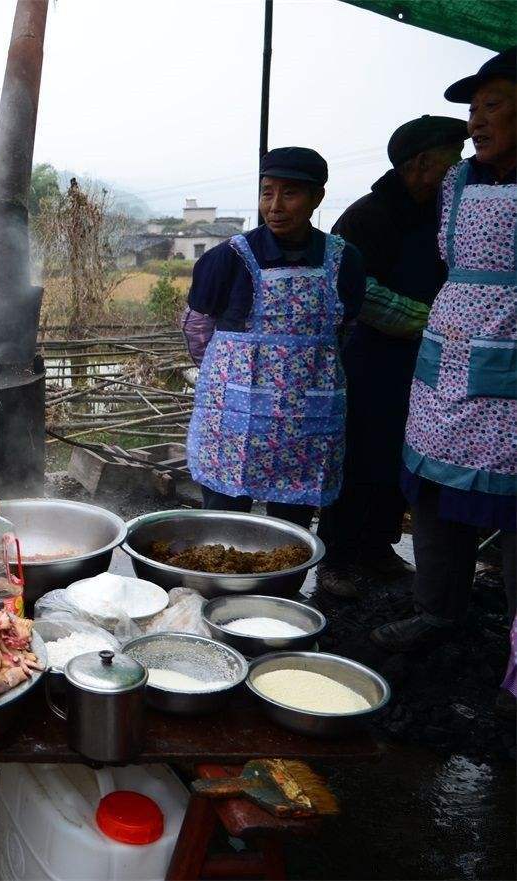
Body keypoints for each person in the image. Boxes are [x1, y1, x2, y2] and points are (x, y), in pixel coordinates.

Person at [372, 48, 517, 676]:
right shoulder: (456, 185)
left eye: (493, 106)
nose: (477, 121)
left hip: (509, 364)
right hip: (446, 362)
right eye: (473, 109)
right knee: (432, 492)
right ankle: (437, 611)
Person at [315, 116, 468, 599]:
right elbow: (355, 290)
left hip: (428, 361)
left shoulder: (444, 213)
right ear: (423, 164)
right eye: (451, 158)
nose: (457, 168)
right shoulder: (369, 215)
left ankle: (378, 548)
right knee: (360, 454)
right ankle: (338, 557)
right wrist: (432, 319)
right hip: (371, 357)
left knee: (403, 458)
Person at [181, 147, 366, 528]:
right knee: (224, 516)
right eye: (267, 192)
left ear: (318, 197)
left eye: (290, 193)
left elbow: (345, 329)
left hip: (308, 416)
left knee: (292, 524)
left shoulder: (343, 260)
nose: (275, 205)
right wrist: (224, 373)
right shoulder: (229, 258)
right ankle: (216, 587)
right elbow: (198, 326)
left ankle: (282, 585)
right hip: (234, 415)